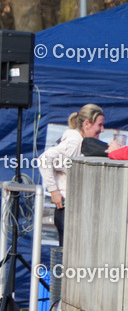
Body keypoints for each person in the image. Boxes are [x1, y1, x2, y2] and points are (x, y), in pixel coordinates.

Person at [39, 104, 104, 244]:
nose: (102, 129)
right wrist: (54, 191)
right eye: (100, 125)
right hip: (67, 209)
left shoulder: (81, 142)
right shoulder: (75, 142)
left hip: (72, 209)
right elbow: (44, 159)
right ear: (87, 124)